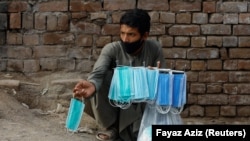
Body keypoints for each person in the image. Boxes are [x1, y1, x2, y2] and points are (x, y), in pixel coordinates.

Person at [73, 8, 166, 141]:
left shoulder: (154, 49)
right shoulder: (112, 49)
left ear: (144, 36)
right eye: (122, 33)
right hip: (116, 104)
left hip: (141, 102)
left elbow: (164, 79)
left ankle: (139, 129)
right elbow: (98, 73)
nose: (125, 39)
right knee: (103, 79)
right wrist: (92, 85)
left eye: (131, 34)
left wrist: (154, 75)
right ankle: (111, 128)